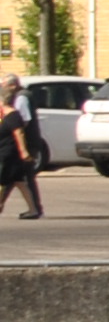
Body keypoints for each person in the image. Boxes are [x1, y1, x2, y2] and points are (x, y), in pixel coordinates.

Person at [0, 74, 45, 219]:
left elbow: (22, 123)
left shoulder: (21, 98)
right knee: (18, 180)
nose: (3, 89)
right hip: (17, 146)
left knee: (19, 178)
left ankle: (35, 209)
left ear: (13, 85)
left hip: (23, 145)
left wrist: (23, 149)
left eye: (4, 85)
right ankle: (34, 208)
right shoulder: (17, 98)